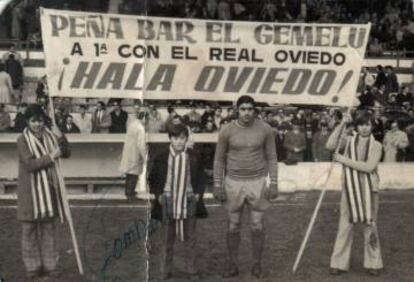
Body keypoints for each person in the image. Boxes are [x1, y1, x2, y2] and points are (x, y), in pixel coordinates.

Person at [213, 95, 278, 278]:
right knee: (233, 225)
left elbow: (272, 157)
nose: (247, 113)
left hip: (257, 182)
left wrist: (274, 182)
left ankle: (257, 264)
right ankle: (232, 264)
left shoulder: (265, 129)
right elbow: (218, 159)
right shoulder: (226, 130)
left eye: (250, 109)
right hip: (233, 182)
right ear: (237, 110)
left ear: (254, 110)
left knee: (257, 225)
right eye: (243, 109)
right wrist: (217, 184)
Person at [16, 104, 70, 280]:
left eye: (39, 120)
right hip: (30, 193)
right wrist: (51, 157)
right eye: (33, 121)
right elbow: (30, 164)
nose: (37, 124)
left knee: (48, 231)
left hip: (48, 192)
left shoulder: (50, 136)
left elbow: (66, 153)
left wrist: (60, 136)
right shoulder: (22, 140)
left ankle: (50, 265)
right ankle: (32, 267)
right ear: (27, 122)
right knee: (29, 232)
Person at [327, 110, 383, 276]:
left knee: (370, 226)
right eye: (361, 125)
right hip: (350, 190)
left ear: (372, 125)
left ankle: (373, 263)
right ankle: (338, 263)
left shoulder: (377, 145)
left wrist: (343, 160)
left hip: (369, 190)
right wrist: (342, 124)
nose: (365, 128)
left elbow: (369, 167)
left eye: (367, 124)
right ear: (356, 126)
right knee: (345, 226)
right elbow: (330, 145)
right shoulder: (349, 140)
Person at [148, 123, 206, 279]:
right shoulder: (161, 156)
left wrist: (198, 194)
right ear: (170, 139)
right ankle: (164, 269)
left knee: (190, 237)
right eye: (176, 138)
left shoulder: (194, 155)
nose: (179, 142)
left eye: (182, 138)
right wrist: (158, 194)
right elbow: (152, 178)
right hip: (167, 199)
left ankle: (192, 270)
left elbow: (201, 177)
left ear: (187, 139)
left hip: (189, 199)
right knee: (168, 236)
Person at [119, 109, 148, 200]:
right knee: (134, 174)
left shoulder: (132, 124)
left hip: (128, 152)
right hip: (135, 153)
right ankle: (130, 193)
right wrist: (145, 157)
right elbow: (141, 144)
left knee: (130, 173)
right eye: (147, 119)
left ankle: (128, 191)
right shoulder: (140, 128)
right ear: (144, 118)